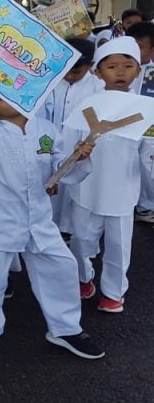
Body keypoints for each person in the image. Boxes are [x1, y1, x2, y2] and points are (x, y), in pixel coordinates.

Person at [0, 78, 103, 360]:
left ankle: (65, 328)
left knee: (61, 265)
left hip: (39, 218)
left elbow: (56, 166)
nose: (3, 96)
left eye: (8, 91)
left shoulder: (45, 129)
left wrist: (77, 158)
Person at [68, 37, 154, 313]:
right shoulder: (87, 103)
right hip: (86, 185)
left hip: (122, 189)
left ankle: (114, 292)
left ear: (138, 71)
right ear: (97, 71)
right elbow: (70, 140)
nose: (120, 72)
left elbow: (148, 150)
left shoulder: (145, 110)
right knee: (81, 240)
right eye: (112, 66)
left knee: (118, 246)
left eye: (127, 66)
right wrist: (74, 155)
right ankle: (83, 278)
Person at [38, 38, 103, 234]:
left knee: (74, 188)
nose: (69, 75)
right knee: (46, 183)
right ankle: (47, 226)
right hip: (49, 141)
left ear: (90, 66)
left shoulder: (97, 87)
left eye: (76, 71)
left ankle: (68, 229)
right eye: (65, 69)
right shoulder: (50, 80)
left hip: (79, 145)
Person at [127, 22, 154, 224]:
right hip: (125, 126)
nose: (134, 52)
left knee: (147, 167)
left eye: (140, 47)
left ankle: (146, 206)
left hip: (149, 130)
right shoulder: (123, 65)